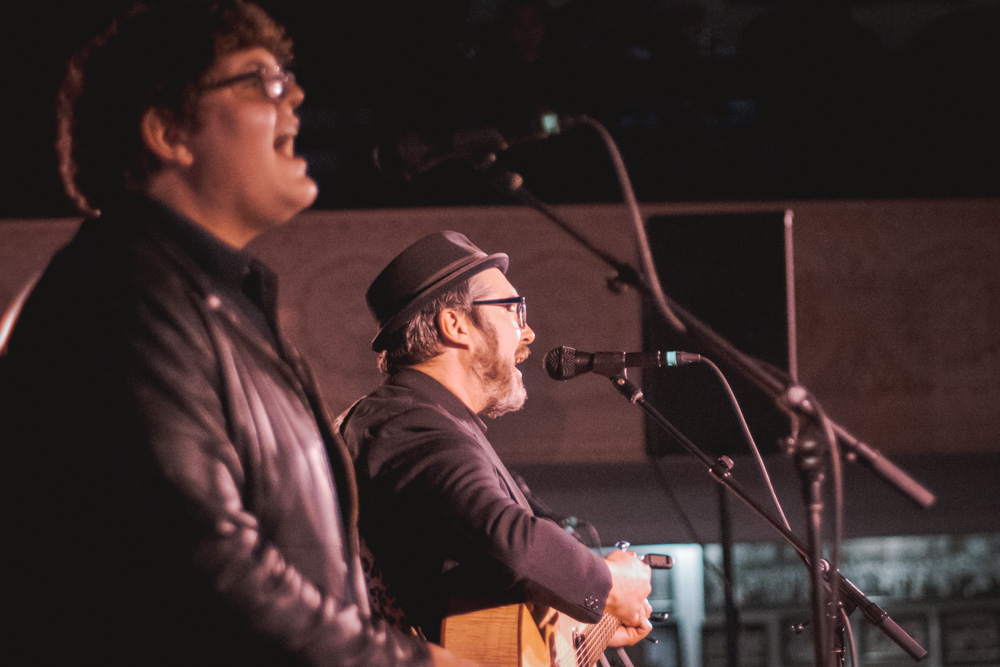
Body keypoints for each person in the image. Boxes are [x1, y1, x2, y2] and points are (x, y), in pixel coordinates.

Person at [0, 2, 467, 665]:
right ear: (168, 132)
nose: (296, 96)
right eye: (260, 80)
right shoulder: (117, 297)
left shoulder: (217, 300)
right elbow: (198, 570)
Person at [338, 231, 653, 647]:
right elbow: (509, 543)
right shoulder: (410, 425)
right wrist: (610, 582)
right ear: (455, 324)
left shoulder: (430, 422)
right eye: (513, 311)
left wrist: (581, 630)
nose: (529, 333)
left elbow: (473, 602)